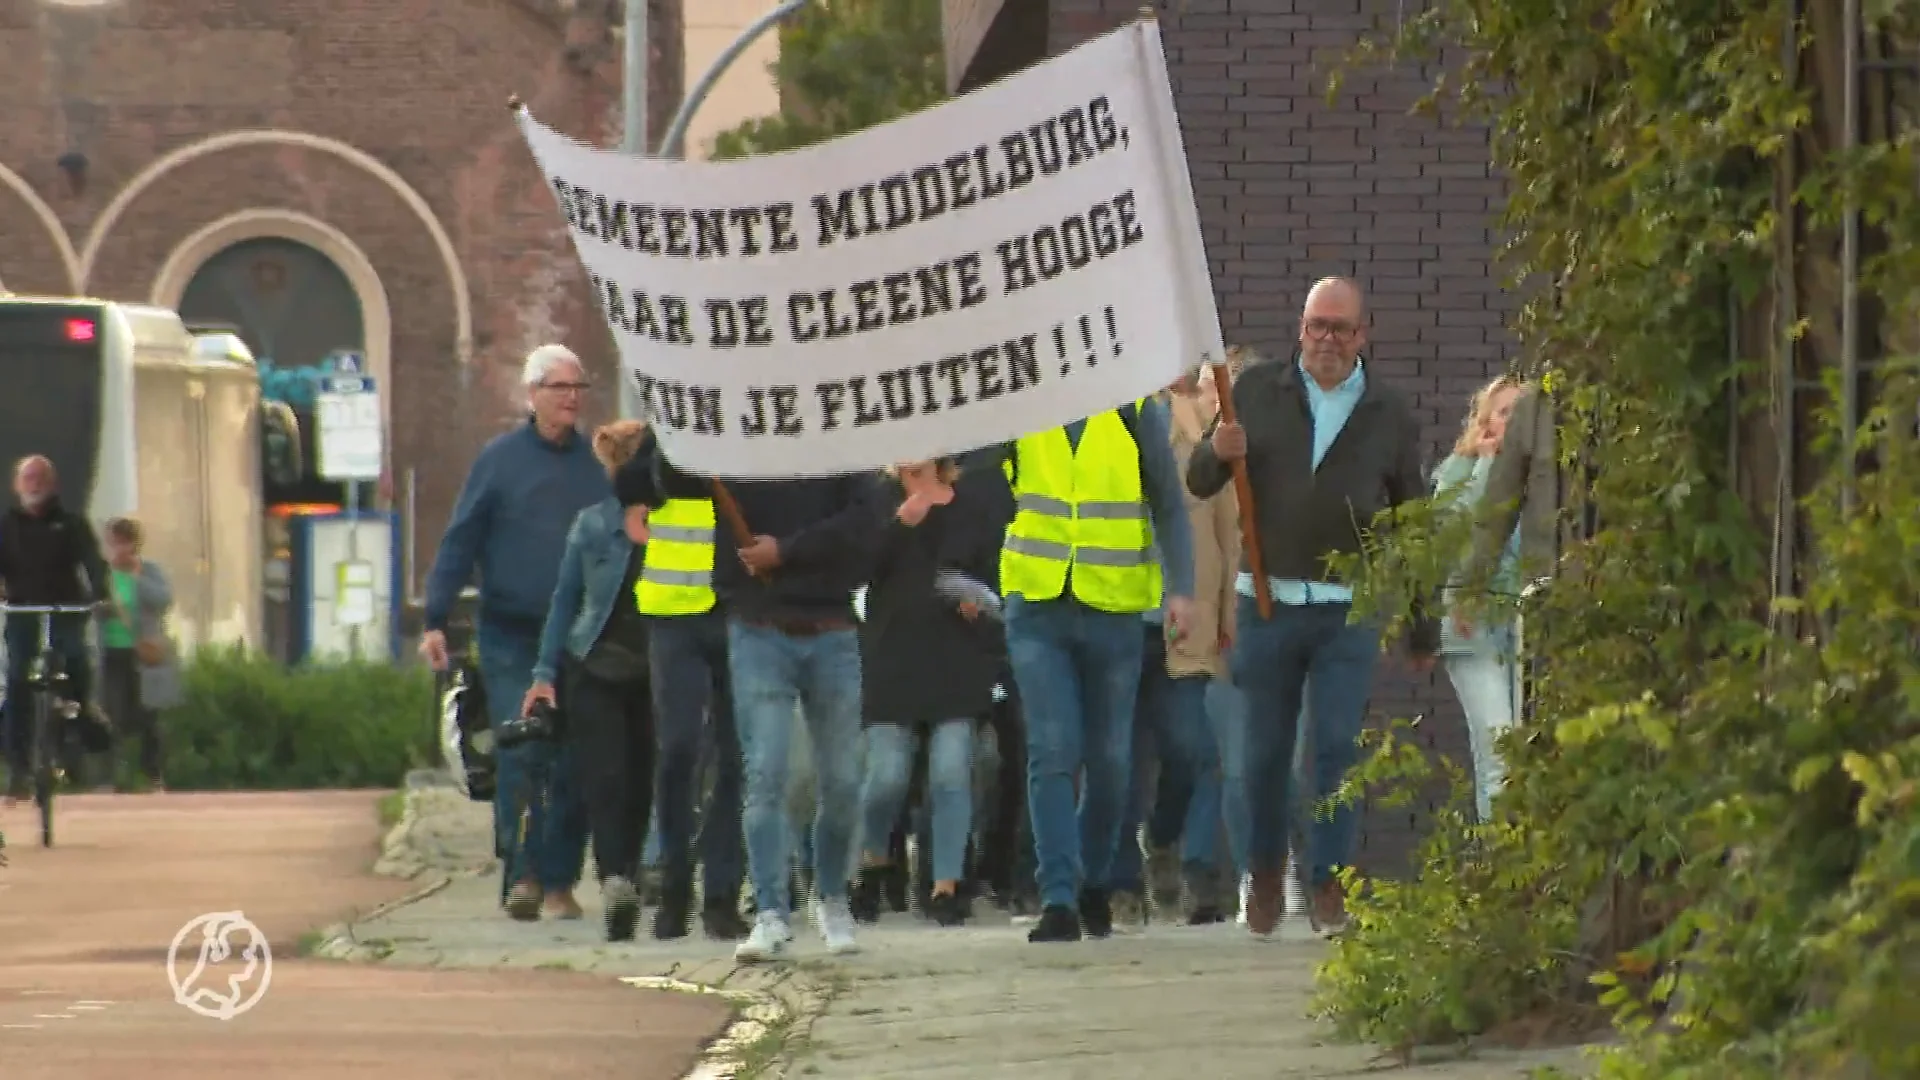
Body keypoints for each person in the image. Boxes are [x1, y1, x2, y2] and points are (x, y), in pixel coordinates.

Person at [1188, 277, 1438, 937]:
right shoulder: (1256, 393)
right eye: (1316, 326)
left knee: (1333, 750)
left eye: (1340, 328)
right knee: (1262, 757)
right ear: (1300, 329)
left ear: (1363, 336)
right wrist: (1215, 450)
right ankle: (1266, 873)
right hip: (1266, 604)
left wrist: (1421, 621)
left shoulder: (1388, 413)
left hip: (1345, 613)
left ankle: (1329, 882)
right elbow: (1199, 478)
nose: (1325, 340)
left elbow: (1413, 519)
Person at [635, 446, 879, 962]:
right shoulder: (738, 435)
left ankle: (830, 894)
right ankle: (771, 911)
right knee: (765, 773)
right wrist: (674, 429)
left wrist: (786, 552)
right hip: (757, 629)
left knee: (843, 780)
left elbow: (862, 520)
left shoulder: (838, 437)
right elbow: (669, 480)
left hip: (831, 627)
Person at [979, 394, 1197, 944]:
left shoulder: (1135, 407)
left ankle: (1094, 881)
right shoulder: (1022, 398)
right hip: (1037, 606)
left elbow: (1168, 502)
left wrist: (1183, 591)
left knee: (1109, 760)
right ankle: (1058, 897)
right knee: (1053, 748)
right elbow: (977, 462)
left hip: (1115, 611)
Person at [420, 344, 604, 921]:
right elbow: (461, 538)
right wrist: (435, 618)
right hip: (511, 635)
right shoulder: (499, 461)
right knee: (523, 750)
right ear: (532, 396)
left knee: (572, 760)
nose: (571, 397)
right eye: (559, 387)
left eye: (578, 387)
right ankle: (522, 875)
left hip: (579, 638)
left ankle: (560, 881)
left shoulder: (595, 466)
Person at [850, 459, 1003, 928]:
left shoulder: (971, 505)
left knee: (952, 774)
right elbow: (858, 568)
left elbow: (993, 575)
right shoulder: (874, 499)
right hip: (891, 655)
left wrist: (981, 606)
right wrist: (900, 525)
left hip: (956, 656)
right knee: (886, 779)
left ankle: (947, 885)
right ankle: (872, 863)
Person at [614, 429, 750, 942]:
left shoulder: (749, 430)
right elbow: (631, 479)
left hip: (736, 610)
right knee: (678, 752)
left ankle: (721, 894)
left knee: (735, 759)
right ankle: (673, 889)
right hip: (674, 618)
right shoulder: (671, 433)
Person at [524, 420, 654, 942]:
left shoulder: (672, 525)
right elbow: (565, 603)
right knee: (606, 775)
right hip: (595, 664)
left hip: (654, 667)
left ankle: (631, 867)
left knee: (643, 777)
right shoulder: (593, 526)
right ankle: (616, 876)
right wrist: (544, 674)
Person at [1433, 378, 1526, 821]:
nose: (1513, 422)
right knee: (1500, 752)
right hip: (1473, 624)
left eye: (1522, 414)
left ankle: (1502, 864)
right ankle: (1502, 877)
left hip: (1519, 623)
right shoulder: (1458, 469)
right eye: (1505, 412)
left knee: (1514, 753)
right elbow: (1456, 540)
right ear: (1485, 420)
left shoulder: (1539, 479)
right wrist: (1488, 468)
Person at [0, 455, 110, 800]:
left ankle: (83, 710)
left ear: (52, 484)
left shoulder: (72, 524)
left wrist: (101, 594)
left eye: (41, 478)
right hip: (23, 612)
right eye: (28, 478)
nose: (34, 484)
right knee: (17, 679)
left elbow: (93, 561)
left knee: (78, 657)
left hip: (67, 609)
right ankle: (19, 770)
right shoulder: (6, 525)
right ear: (17, 486)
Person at [99, 517, 181, 792]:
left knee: (149, 717)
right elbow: (89, 604)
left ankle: (153, 776)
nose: (119, 548)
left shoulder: (148, 570)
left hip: (144, 651)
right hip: (112, 650)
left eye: (124, 542)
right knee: (112, 714)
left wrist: (137, 579)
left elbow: (163, 601)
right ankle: (111, 778)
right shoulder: (103, 573)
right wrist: (103, 606)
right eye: (114, 542)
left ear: (134, 544)